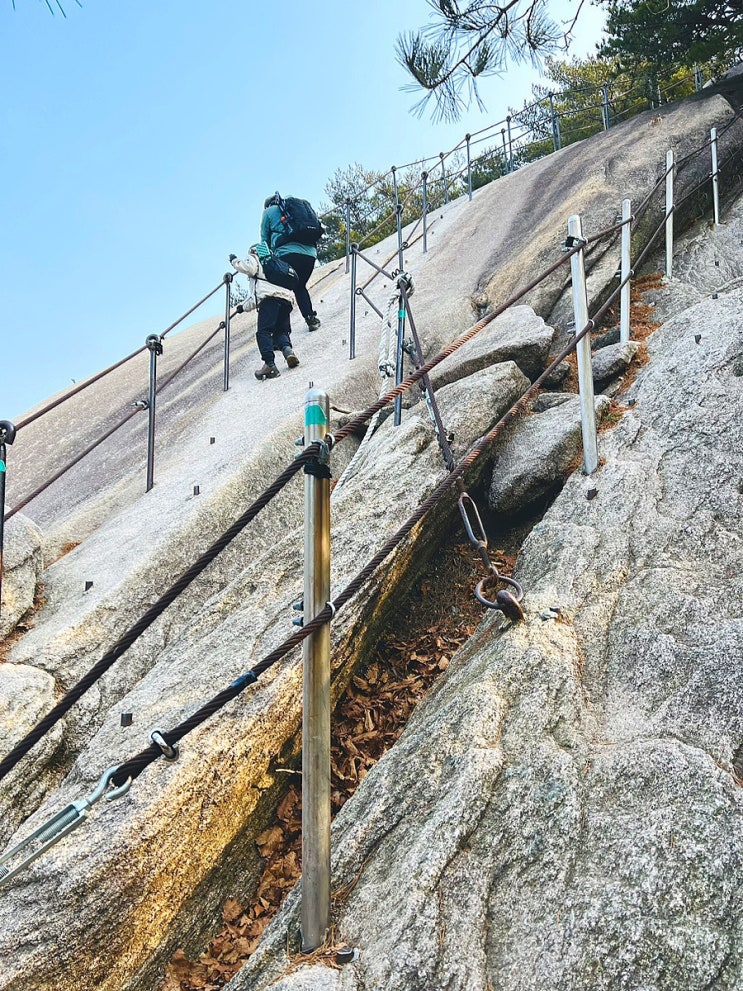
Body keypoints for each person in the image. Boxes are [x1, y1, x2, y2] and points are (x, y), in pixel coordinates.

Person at [229, 247, 300, 381]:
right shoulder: (275, 263)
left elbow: (249, 269)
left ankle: (269, 365)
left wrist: (234, 261)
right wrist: (242, 308)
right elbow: (257, 295)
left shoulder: (256, 258)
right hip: (287, 300)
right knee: (281, 331)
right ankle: (288, 351)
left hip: (270, 300)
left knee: (264, 332)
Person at [260, 194, 321, 331]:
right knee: (300, 287)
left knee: (281, 290)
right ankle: (310, 317)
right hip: (310, 255)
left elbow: (264, 241)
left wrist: (264, 263)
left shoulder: (268, 212)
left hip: (287, 255)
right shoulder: (297, 210)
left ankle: (280, 334)